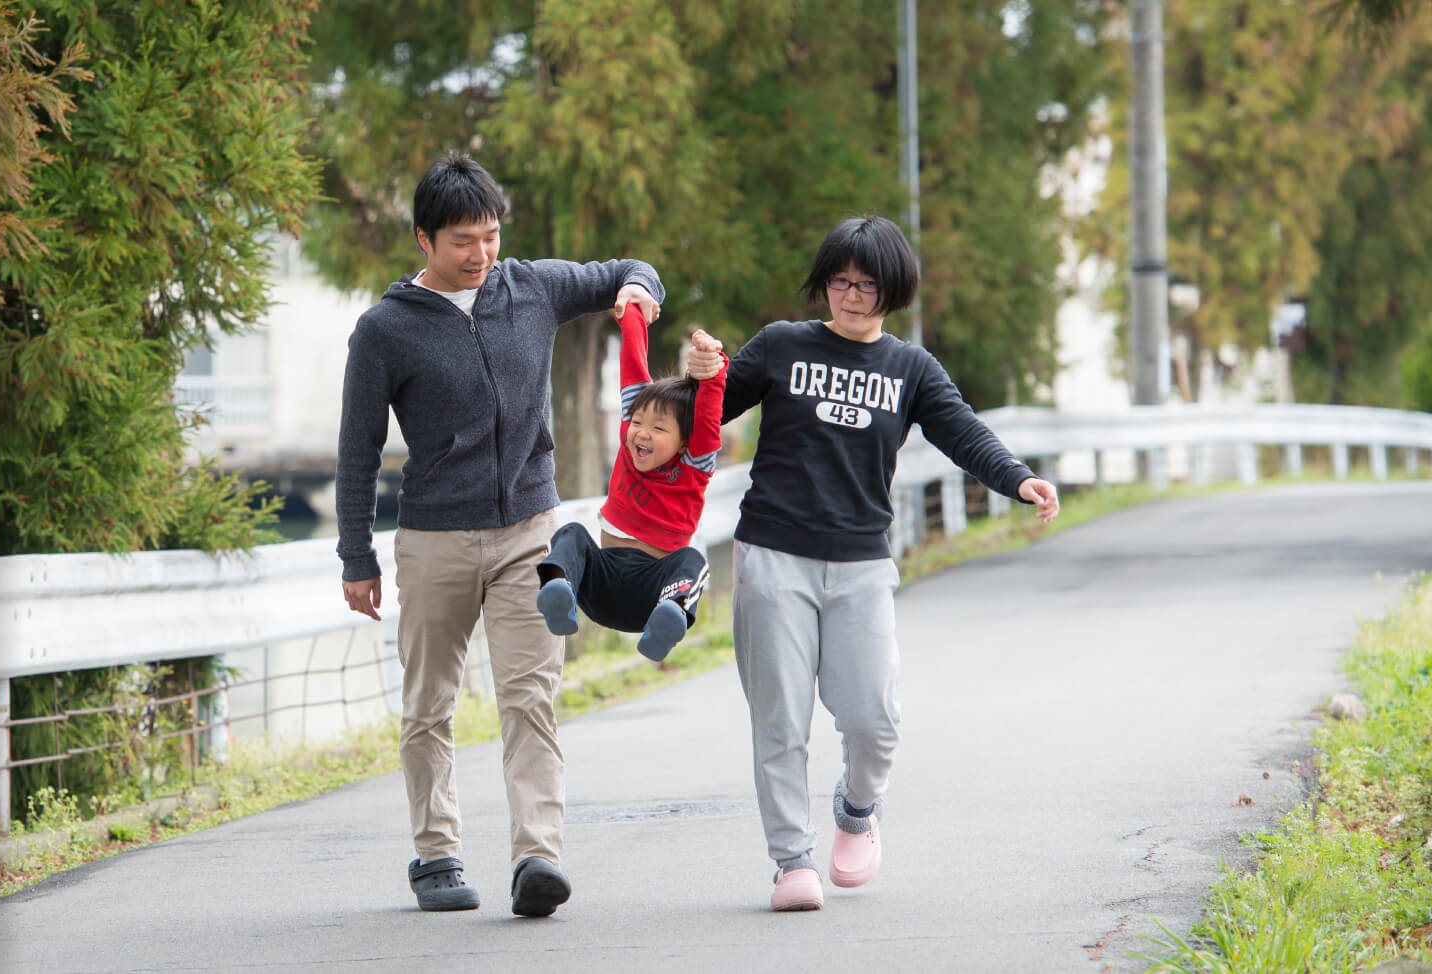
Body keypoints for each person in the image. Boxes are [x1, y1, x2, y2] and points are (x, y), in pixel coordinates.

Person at [692, 215, 1060, 912]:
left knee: (874, 718)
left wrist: (1017, 479)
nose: (850, 296)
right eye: (839, 281)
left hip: (860, 562)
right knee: (780, 718)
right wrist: (691, 384)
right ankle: (791, 860)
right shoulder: (780, 345)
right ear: (823, 282)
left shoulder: (909, 368)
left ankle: (857, 809)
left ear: (892, 291)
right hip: (772, 554)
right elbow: (703, 413)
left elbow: (963, 430)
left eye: (866, 285)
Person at [334, 151, 665, 917]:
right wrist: (356, 555)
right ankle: (436, 853)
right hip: (434, 539)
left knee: (531, 696)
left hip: (530, 534)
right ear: (423, 239)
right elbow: (357, 450)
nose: (481, 254)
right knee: (429, 704)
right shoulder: (384, 330)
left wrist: (641, 290)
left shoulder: (533, 288)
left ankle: (537, 857)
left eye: (489, 235)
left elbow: (631, 268)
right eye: (462, 241)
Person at [535, 307, 727, 663]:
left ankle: (673, 615)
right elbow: (634, 370)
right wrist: (632, 314)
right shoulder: (629, 443)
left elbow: (709, 417)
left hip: (651, 595)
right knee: (573, 534)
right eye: (638, 421)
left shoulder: (692, 468)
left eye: (659, 429)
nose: (642, 432)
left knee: (692, 559)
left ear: (685, 442)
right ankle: (558, 588)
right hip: (600, 586)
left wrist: (713, 367)